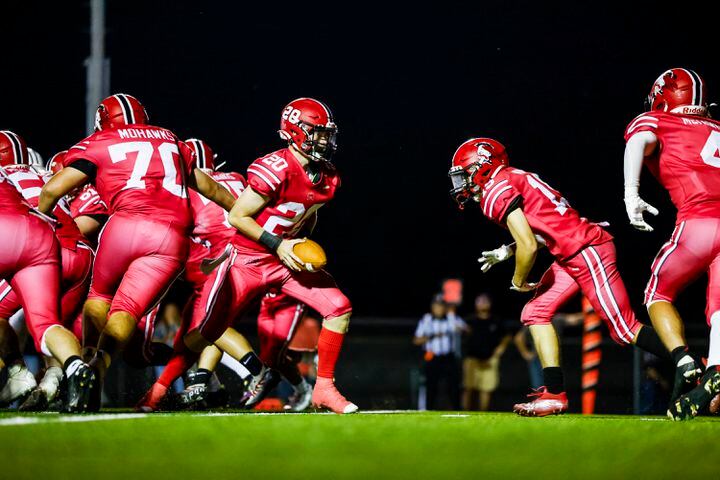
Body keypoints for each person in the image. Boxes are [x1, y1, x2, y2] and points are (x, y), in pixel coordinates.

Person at [38, 94, 238, 411]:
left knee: (100, 296)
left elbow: (51, 189)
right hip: (172, 236)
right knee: (127, 310)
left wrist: (45, 221)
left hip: (125, 226)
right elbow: (211, 189)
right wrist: (245, 220)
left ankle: (87, 363)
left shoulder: (100, 141)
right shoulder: (170, 138)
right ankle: (98, 368)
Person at [449, 137, 670, 416]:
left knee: (624, 329)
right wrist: (507, 250)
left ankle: (697, 364)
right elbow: (548, 228)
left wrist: (518, 280)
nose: (463, 184)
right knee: (536, 311)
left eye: (465, 174)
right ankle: (554, 394)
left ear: (482, 165)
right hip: (572, 251)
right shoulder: (514, 176)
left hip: (584, 249)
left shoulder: (496, 189)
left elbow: (529, 246)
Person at [180, 98, 357, 414]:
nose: (323, 140)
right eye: (315, 132)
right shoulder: (275, 168)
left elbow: (308, 214)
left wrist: (298, 242)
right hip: (249, 259)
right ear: (294, 132)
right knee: (204, 332)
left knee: (339, 307)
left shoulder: (329, 178)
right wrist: (280, 244)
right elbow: (237, 215)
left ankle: (324, 389)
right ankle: (160, 389)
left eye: (325, 133)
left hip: (283, 263)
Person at [623, 68, 720, 420]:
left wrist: (630, 194)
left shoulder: (657, 120)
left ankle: (682, 358)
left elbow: (638, 140)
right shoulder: (717, 127)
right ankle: (716, 371)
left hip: (698, 223)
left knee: (656, 293)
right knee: (718, 306)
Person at [0, 158, 95, 412]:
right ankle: (71, 369)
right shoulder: (38, 173)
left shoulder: (10, 173)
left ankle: (17, 371)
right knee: (46, 324)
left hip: (25, 238)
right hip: (50, 241)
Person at [414, 294, 467, 410]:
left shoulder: (451, 318)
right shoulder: (426, 320)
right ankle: (428, 409)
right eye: (437, 305)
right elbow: (417, 340)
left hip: (449, 357)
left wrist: (457, 324)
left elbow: (466, 329)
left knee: (453, 386)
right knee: (431, 386)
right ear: (432, 307)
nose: (439, 308)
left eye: (441, 306)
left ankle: (457, 410)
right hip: (433, 357)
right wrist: (432, 336)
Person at [462, 293, 511, 411]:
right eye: (480, 301)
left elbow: (507, 336)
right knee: (468, 387)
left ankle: (483, 412)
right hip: (472, 358)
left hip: (490, 359)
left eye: (485, 301)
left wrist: (501, 348)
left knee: (486, 388)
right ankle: (464, 412)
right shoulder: (469, 320)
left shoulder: (496, 320)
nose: (483, 303)